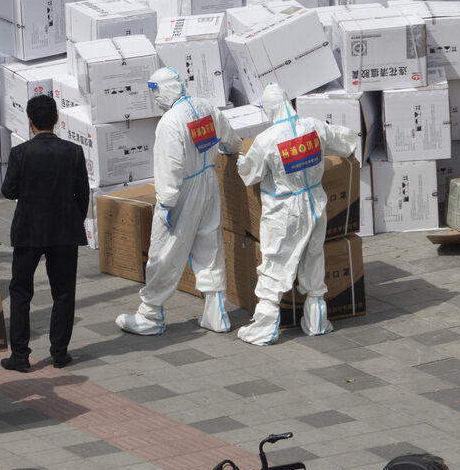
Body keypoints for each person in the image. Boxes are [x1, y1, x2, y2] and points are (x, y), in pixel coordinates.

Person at [116, 67, 242, 336]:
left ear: (164, 91)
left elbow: (169, 166)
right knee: (210, 246)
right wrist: (230, 149)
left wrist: (166, 203)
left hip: (183, 191)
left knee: (164, 253)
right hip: (209, 182)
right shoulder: (205, 107)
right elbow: (230, 139)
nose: (155, 99)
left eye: (156, 92)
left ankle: (150, 315)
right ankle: (216, 313)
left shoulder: (170, 122)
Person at [237, 84, 357, 345]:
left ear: (270, 108)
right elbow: (346, 142)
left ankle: (264, 328)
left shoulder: (267, 139)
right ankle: (317, 322)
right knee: (313, 259)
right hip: (315, 203)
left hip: (285, 211)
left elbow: (250, 174)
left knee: (275, 264)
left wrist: (240, 161)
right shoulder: (314, 127)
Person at [0, 94, 88, 372]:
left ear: (30, 121)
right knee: (63, 292)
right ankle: (59, 353)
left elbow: (8, 190)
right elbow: (83, 194)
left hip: (29, 230)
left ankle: (20, 355)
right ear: (56, 119)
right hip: (64, 231)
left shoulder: (20, 153)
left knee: (21, 291)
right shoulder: (73, 151)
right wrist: (74, 220)